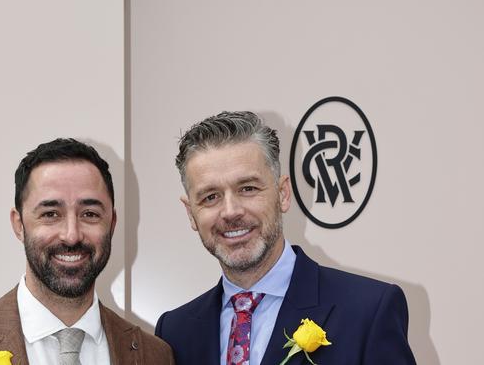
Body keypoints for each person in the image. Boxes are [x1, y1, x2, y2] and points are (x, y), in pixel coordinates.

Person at [155, 112, 416, 365]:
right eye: (210, 196)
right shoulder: (174, 333)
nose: (231, 211)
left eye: (248, 188)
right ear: (191, 213)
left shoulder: (368, 311)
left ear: (283, 194)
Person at [0, 138, 174, 365]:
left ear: (112, 224)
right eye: (50, 214)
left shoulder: (154, 355)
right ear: (19, 224)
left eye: (90, 214)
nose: (71, 235)